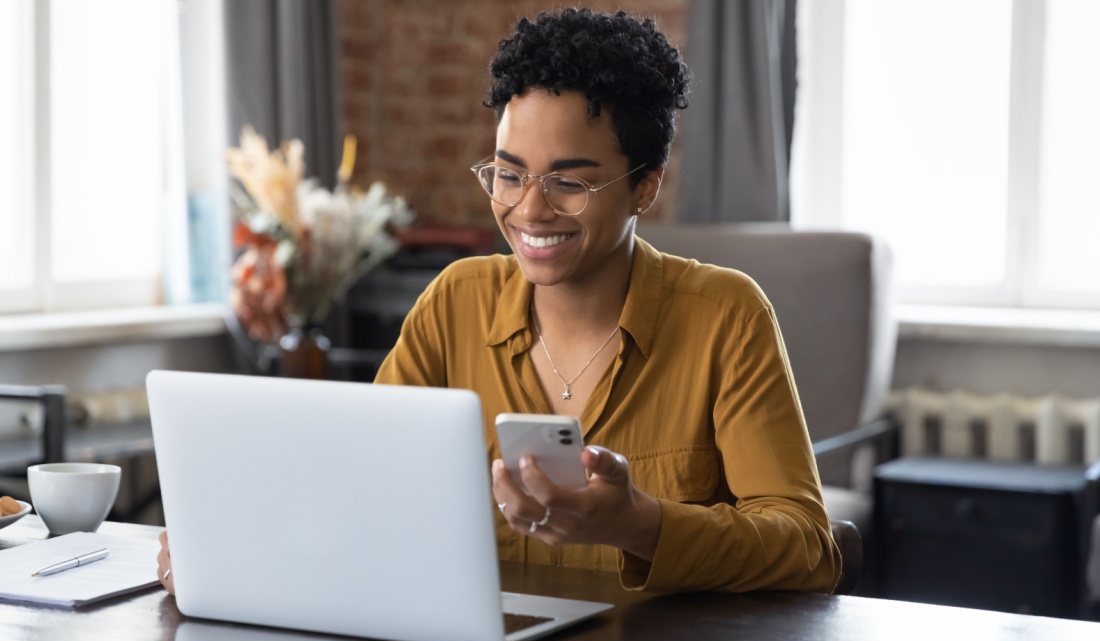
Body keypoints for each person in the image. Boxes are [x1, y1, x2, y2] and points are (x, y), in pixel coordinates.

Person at [159, 7, 840, 595]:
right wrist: (230, 539)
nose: (529, 210)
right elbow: (356, 480)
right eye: (508, 174)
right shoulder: (456, 302)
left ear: (645, 187)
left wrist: (640, 523)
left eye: (569, 183)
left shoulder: (725, 316)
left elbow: (809, 546)